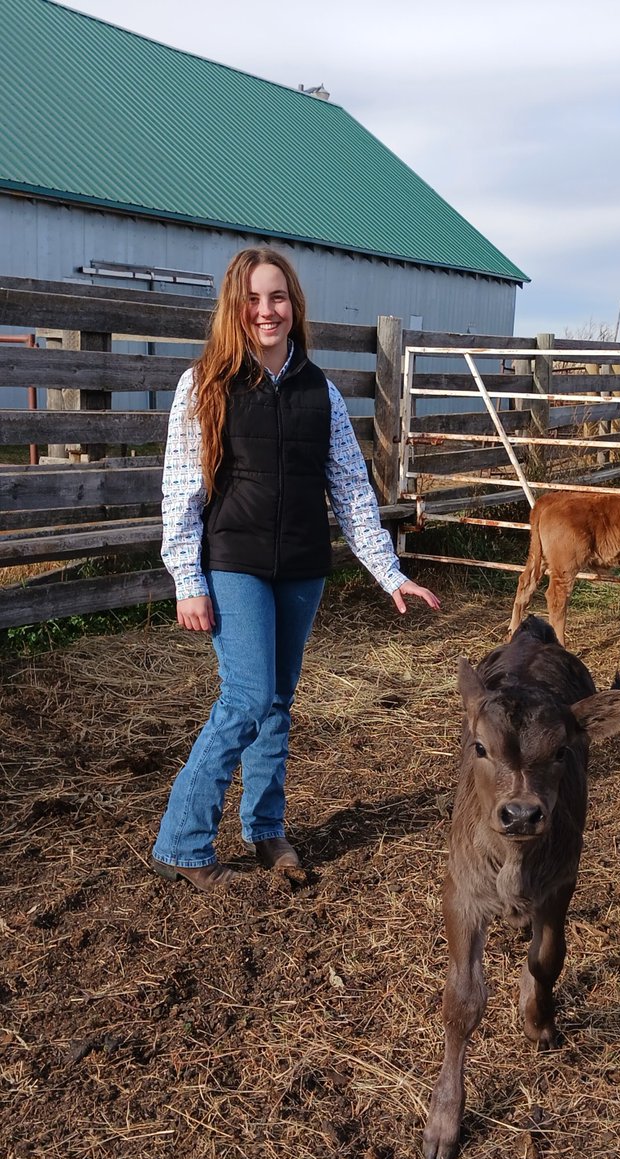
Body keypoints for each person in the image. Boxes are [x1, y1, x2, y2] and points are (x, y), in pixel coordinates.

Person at [151, 247, 440, 893]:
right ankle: (182, 841)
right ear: (235, 307)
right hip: (235, 560)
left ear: (294, 304)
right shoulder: (204, 385)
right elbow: (180, 489)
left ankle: (265, 829)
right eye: (253, 299)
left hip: (303, 566)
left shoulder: (322, 391)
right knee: (246, 698)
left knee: (277, 703)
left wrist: (388, 573)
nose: (266, 311)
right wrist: (187, 581)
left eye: (276, 297)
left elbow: (350, 489)